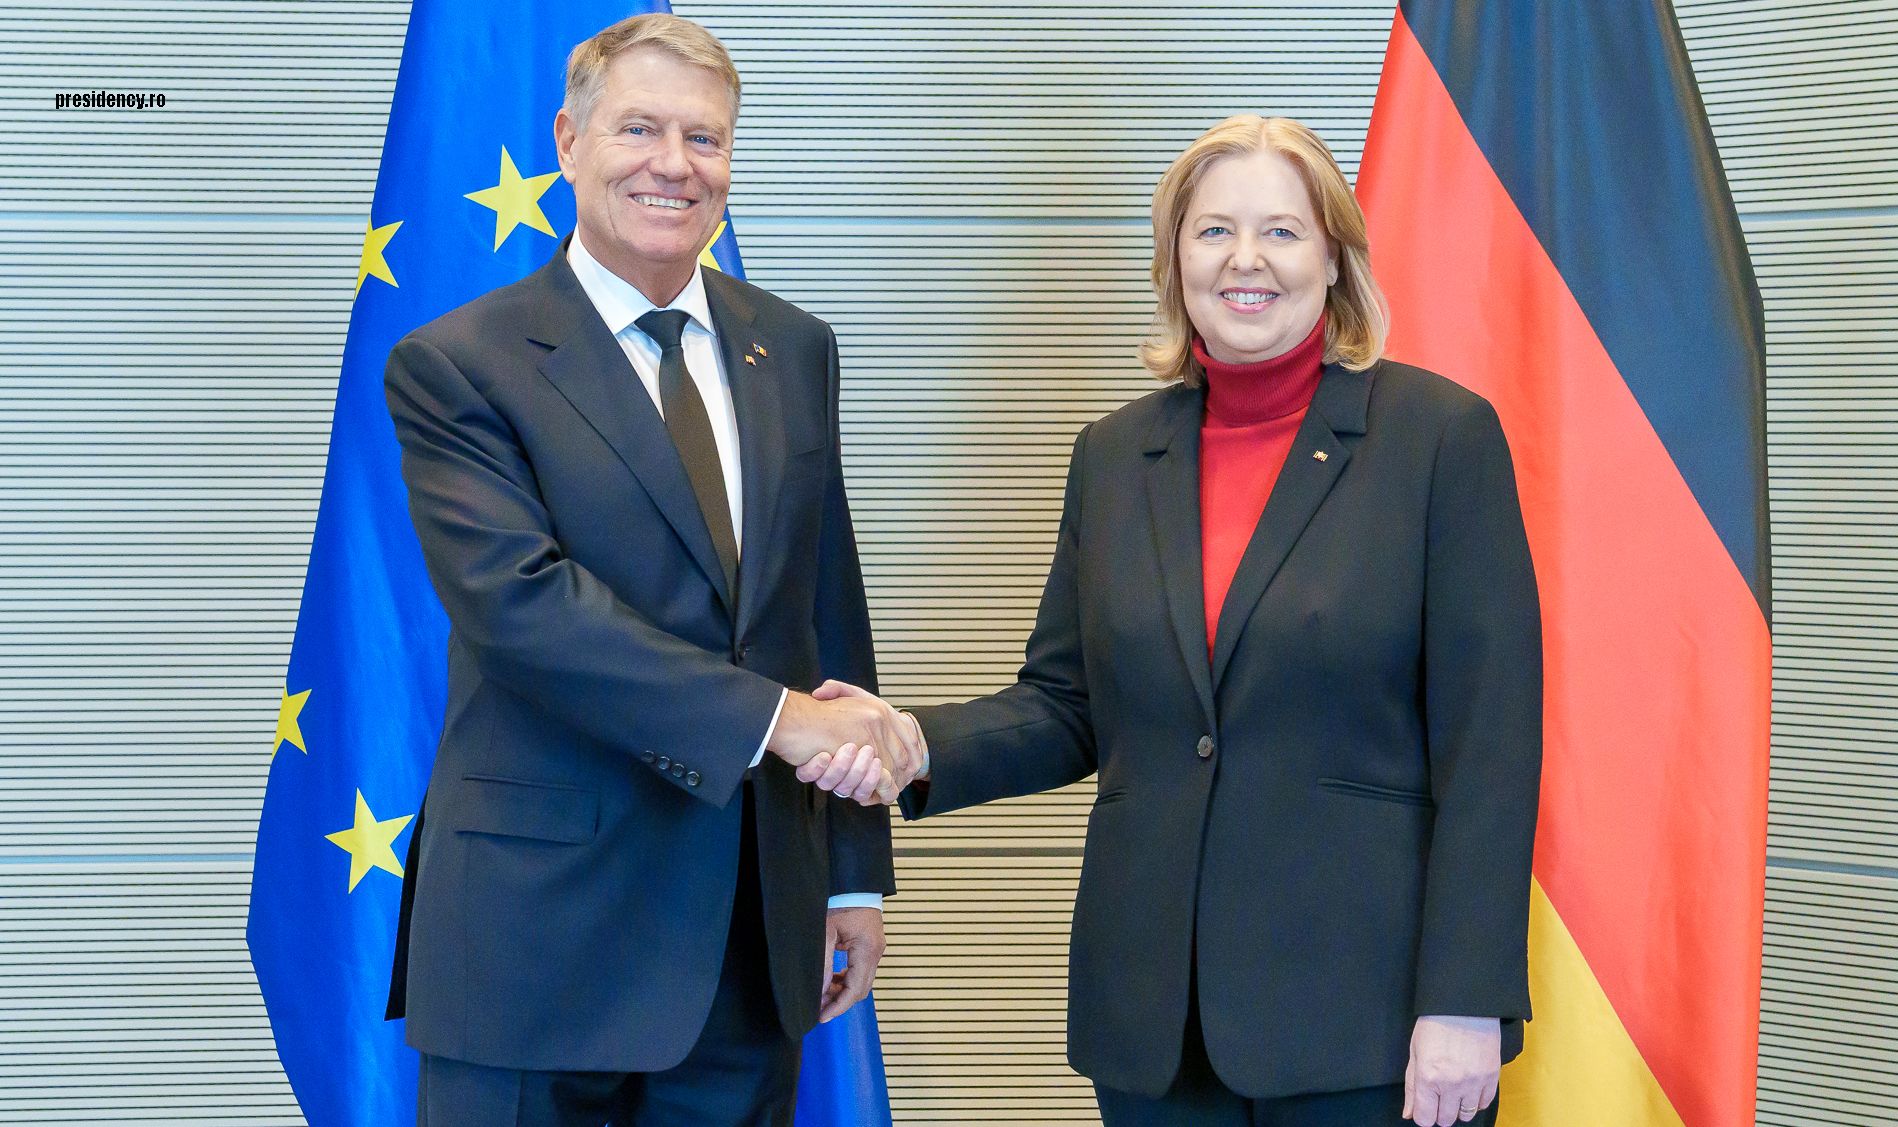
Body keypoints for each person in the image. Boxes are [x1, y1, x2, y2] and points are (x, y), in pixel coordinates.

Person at [804, 116, 1542, 1127]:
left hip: (1364, 1020)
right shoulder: (1112, 456)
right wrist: (912, 740)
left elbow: (1490, 744)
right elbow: (1066, 704)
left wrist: (1465, 996)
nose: (1246, 259)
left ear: (1333, 257)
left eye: (1281, 232)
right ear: (1174, 259)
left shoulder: (1439, 438)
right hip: (1155, 1025)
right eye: (1213, 232)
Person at [381, 14, 922, 1126]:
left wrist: (852, 868)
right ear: (567, 139)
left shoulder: (794, 346)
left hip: (743, 935)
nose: (673, 164)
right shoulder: (457, 365)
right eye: (639, 129)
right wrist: (777, 721)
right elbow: (521, 608)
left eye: (704, 138)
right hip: (533, 943)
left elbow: (824, 606)